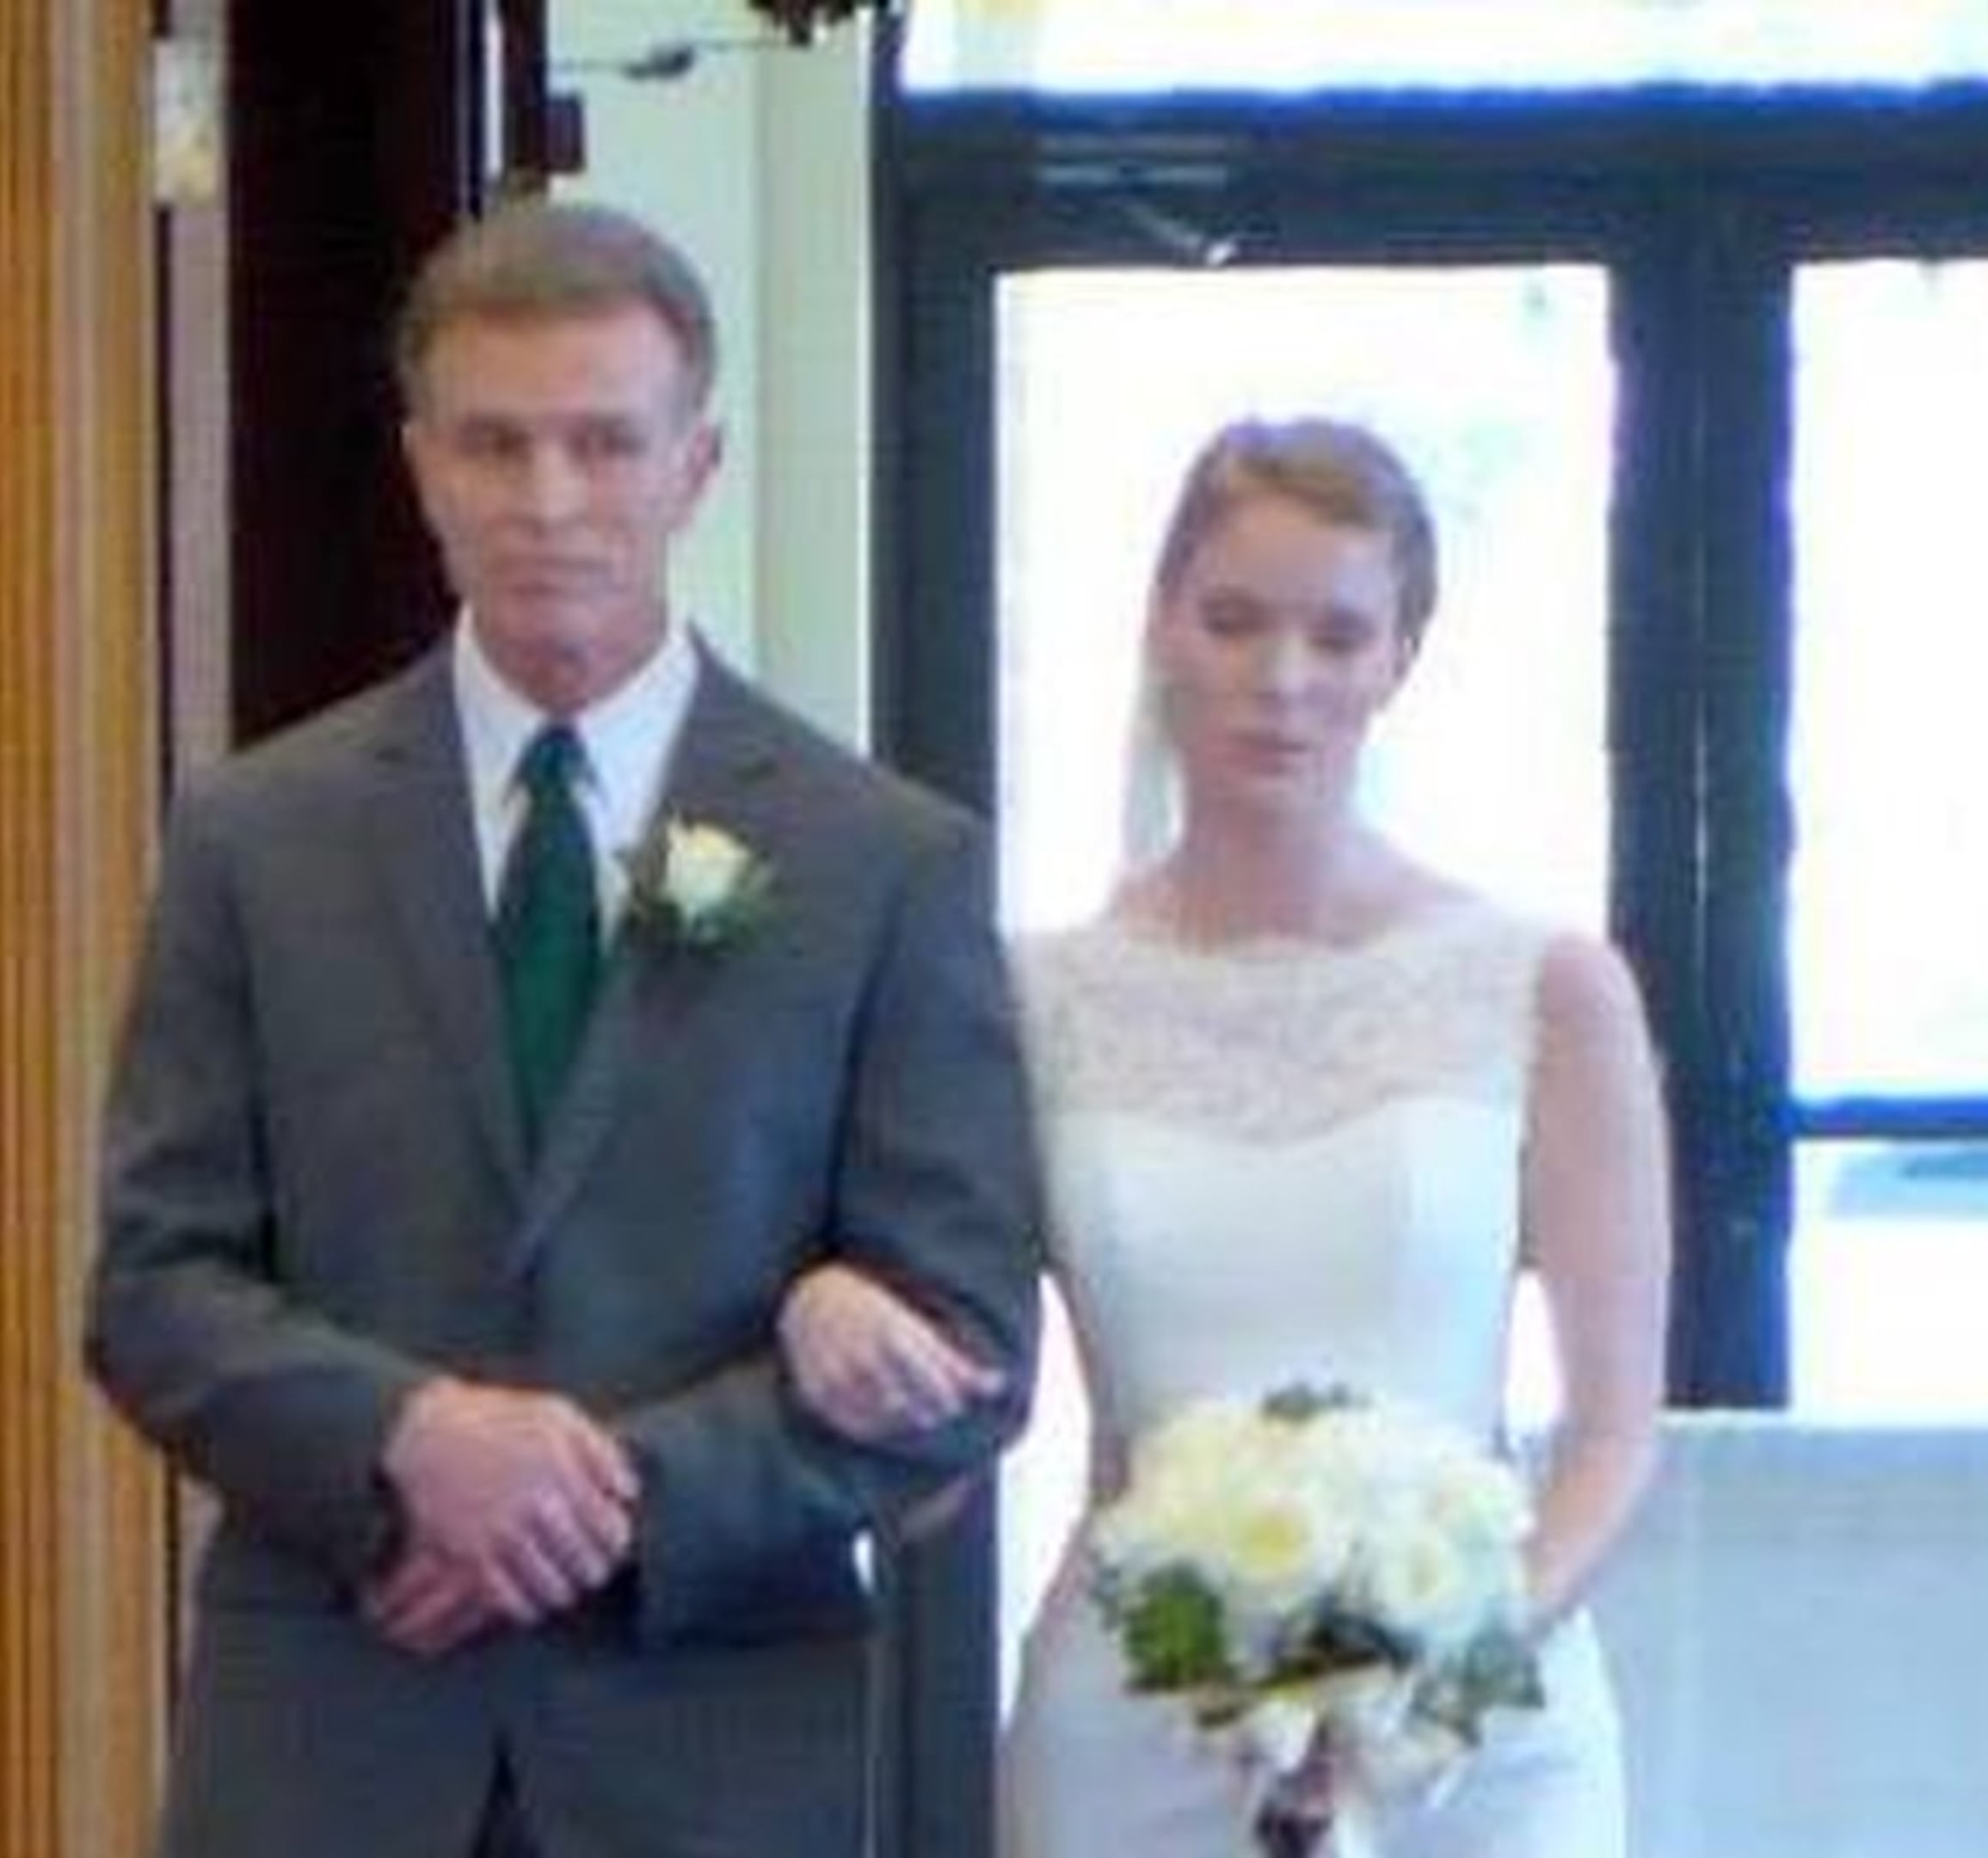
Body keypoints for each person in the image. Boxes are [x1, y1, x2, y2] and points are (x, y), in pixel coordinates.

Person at [84, 198, 1043, 1858]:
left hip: (713, 1749)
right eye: (495, 446)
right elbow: (153, 1291)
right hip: (336, 1739)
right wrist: (407, 1442)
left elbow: (964, 1351)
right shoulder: (257, 834)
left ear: (699, 464)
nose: (548, 504)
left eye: (604, 445)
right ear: (420, 466)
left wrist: (598, 1503)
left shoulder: (880, 857)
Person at [783, 417, 1676, 1856]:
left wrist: (1433, 1666)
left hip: (1472, 1725)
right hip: (1139, 1712)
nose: (1282, 681)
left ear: (1403, 655)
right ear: (1161, 625)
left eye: (1338, 635)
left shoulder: (1547, 986)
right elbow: (951, 1371)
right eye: (1234, 620)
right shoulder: (1032, 997)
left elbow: (1615, 1431)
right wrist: (830, 1306)